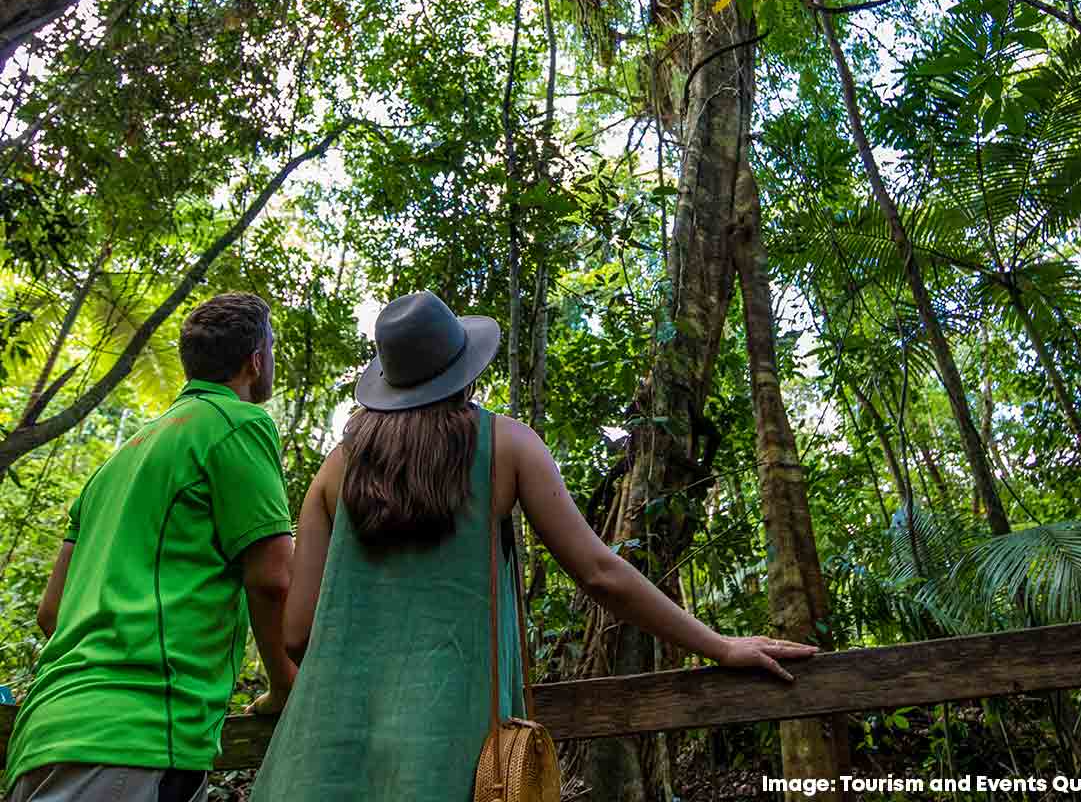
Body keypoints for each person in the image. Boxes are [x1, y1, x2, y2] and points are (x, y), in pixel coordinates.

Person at [250, 290, 817, 802]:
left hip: (320, 757)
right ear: (464, 373)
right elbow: (599, 572)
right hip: (448, 753)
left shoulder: (336, 468)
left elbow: (296, 634)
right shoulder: (507, 446)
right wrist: (717, 645)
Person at [4, 293, 297, 802]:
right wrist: (285, 686)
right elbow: (273, 577)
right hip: (137, 738)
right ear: (256, 360)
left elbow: (52, 613)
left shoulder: (118, 461)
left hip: (44, 734)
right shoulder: (238, 424)